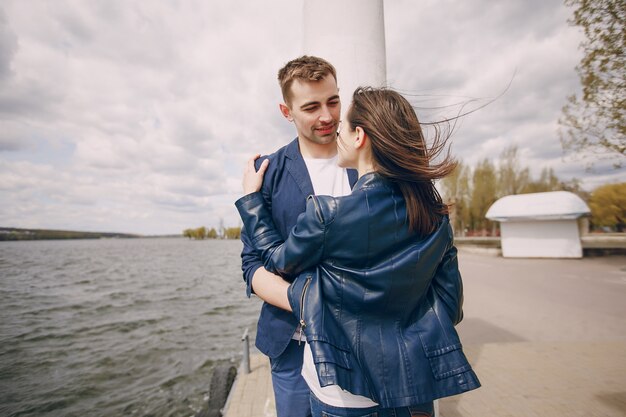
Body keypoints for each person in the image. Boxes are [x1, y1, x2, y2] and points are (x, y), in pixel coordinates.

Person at [236, 87, 481, 416]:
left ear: (359, 136)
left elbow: (278, 260)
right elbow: (449, 308)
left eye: (342, 119)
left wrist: (251, 201)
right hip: (413, 386)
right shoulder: (436, 214)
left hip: (344, 394)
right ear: (288, 110)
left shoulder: (329, 214)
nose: (335, 127)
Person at [239, 56, 358, 417]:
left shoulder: (367, 158)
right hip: (290, 345)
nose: (327, 116)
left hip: (357, 342)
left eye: (333, 101)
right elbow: (251, 264)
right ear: (286, 111)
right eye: (311, 107)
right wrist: (306, 302)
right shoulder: (268, 172)